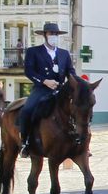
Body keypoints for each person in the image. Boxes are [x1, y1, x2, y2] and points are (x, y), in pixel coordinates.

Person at [17, 22, 77, 157]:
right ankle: (25, 142)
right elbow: (29, 71)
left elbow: (71, 72)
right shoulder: (34, 51)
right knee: (27, 110)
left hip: (60, 90)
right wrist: (45, 81)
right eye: (51, 34)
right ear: (45, 35)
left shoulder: (64, 54)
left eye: (56, 34)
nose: (54, 36)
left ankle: (79, 141)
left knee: (78, 109)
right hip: (41, 89)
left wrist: (77, 84)